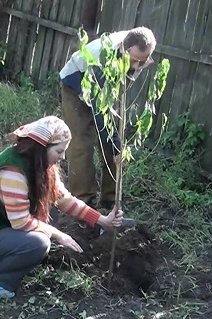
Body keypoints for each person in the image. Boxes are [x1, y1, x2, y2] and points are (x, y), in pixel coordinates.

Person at [0, 116, 124, 299]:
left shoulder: (40, 163)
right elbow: (20, 222)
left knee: (50, 214)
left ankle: (11, 256)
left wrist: (102, 220)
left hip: (0, 226)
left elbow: (64, 199)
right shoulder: (12, 171)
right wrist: (59, 235)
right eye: (59, 151)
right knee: (39, 243)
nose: (63, 157)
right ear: (42, 147)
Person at [59, 26, 157, 208]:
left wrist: (116, 146)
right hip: (76, 84)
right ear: (124, 49)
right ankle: (83, 201)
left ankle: (110, 200)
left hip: (106, 89)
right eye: (134, 61)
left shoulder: (138, 49)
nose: (137, 67)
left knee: (114, 141)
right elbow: (100, 110)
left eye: (143, 62)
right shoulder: (101, 57)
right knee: (81, 144)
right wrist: (116, 147)